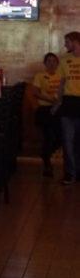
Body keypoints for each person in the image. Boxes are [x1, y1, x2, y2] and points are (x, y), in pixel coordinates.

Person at [54, 31, 80, 185]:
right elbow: (62, 84)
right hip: (68, 103)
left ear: (75, 41)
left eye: (67, 42)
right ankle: (70, 173)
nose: (65, 45)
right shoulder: (64, 60)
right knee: (68, 141)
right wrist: (58, 102)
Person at [32, 53, 62, 177]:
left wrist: (58, 102)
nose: (51, 63)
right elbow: (35, 92)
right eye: (48, 61)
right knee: (48, 136)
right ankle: (47, 163)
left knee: (60, 136)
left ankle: (46, 153)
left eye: (54, 61)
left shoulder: (61, 76)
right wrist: (51, 100)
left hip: (59, 109)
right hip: (45, 109)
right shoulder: (40, 76)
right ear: (45, 63)